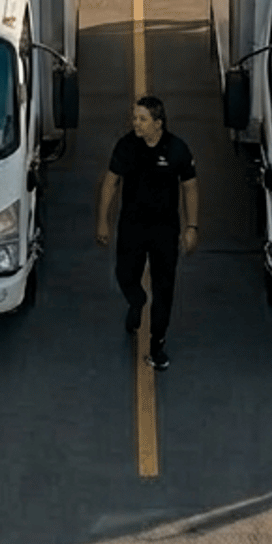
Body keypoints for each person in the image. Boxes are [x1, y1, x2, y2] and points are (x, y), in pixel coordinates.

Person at [96, 94, 198, 371]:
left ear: (158, 123)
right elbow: (111, 183)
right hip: (132, 227)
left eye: (142, 119)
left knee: (164, 289)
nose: (136, 123)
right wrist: (103, 221)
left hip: (165, 230)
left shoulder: (177, 149)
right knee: (124, 274)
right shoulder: (127, 146)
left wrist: (191, 226)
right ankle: (137, 300)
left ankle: (157, 345)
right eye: (135, 118)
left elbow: (189, 187)